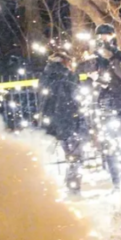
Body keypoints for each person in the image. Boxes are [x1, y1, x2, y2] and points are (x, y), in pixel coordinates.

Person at [91, 24, 121, 193]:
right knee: (110, 147)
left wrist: (112, 59)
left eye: (106, 35)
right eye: (100, 36)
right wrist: (96, 77)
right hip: (106, 106)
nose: (103, 39)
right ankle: (117, 183)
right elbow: (103, 82)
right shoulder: (97, 59)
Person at [38, 52, 87, 198]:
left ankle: (51, 190)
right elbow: (76, 98)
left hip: (53, 123)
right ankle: (73, 189)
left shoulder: (44, 78)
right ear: (65, 62)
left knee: (65, 156)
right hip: (70, 121)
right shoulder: (69, 76)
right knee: (76, 157)